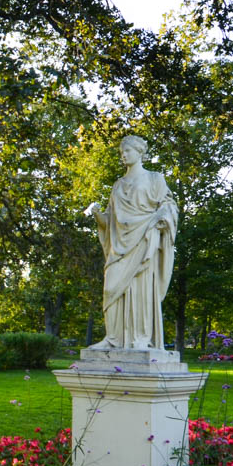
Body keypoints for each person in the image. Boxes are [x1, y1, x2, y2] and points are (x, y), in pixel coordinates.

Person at [84, 135, 178, 350]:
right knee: (110, 290)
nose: (123, 155)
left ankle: (141, 339)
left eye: (127, 151)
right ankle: (113, 339)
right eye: (121, 152)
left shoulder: (155, 179)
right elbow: (111, 221)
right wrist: (98, 216)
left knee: (141, 292)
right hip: (119, 247)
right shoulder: (118, 185)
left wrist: (161, 217)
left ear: (139, 152)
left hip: (144, 241)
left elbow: (169, 206)